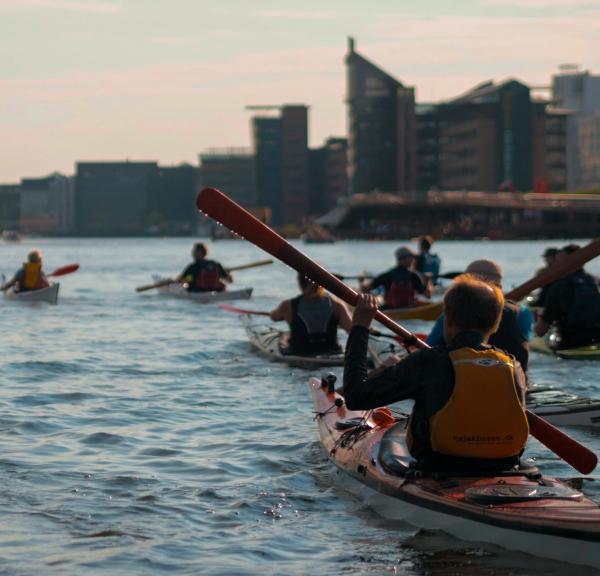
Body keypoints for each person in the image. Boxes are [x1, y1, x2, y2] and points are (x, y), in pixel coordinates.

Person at [344, 277, 529, 473]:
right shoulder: (513, 365)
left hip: (440, 467)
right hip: (503, 466)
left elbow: (356, 397)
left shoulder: (429, 361)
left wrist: (360, 327)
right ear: (495, 324)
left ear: (448, 319)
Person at [427, 259, 533, 371]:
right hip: (511, 378)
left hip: (458, 377)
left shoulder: (452, 311)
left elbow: (431, 346)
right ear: (500, 287)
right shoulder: (523, 313)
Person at [535, 244, 600, 349]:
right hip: (597, 341)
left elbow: (541, 330)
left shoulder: (558, 286)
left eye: (559, 261)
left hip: (573, 345)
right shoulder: (593, 282)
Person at [270, 274, 352, 356]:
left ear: (300, 284)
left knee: (284, 336)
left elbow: (274, 317)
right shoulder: (337, 305)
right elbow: (353, 331)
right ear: (322, 284)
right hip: (332, 354)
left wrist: (272, 314)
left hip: (298, 355)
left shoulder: (287, 306)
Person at [362, 247, 432, 309]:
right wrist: (428, 280)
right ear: (403, 258)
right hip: (409, 309)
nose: (413, 260)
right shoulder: (414, 276)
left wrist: (362, 281)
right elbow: (428, 295)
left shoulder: (387, 275)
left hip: (389, 310)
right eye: (411, 257)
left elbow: (365, 290)